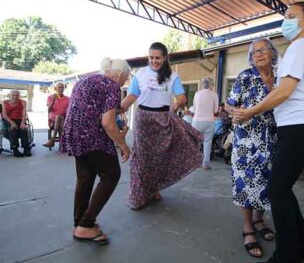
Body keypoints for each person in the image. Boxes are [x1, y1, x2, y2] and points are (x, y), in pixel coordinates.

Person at [234, 1, 304, 263]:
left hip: (300, 124)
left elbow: (285, 91)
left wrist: (250, 111)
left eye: (291, 16)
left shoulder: (301, 46)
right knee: (282, 188)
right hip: (303, 125)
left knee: (277, 190)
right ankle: (303, 247)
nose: (285, 21)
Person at [121, 42, 203, 210]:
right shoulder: (141, 74)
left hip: (163, 118)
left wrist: (176, 105)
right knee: (141, 158)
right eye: (151, 58)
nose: (154, 61)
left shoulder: (172, 77)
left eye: (158, 58)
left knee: (159, 159)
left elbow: (181, 97)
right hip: (143, 119)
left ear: (165, 58)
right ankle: (137, 195)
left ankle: (152, 188)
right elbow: (132, 97)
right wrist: (118, 109)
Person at [61, 58, 131, 244]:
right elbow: (107, 123)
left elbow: (91, 109)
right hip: (92, 137)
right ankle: (86, 224)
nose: (125, 82)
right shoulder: (111, 86)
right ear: (120, 75)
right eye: (126, 78)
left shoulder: (86, 80)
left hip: (74, 134)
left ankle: (79, 224)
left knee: (85, 178)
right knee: (111, 174)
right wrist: (123, 144)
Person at [227, 38, 278, 258]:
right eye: (254, 52)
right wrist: (234, 112)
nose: (258, 54)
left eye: (262, 49)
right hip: (247, 139)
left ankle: (259, 220)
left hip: (273, 138)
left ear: (272, 53)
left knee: (267, 181)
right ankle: (248, 228)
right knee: (246, 181)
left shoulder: (281, 78)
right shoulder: (245, 77)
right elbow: (229, 103)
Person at [192, 77, 219, 170]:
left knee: (195, 142)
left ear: (203, 84)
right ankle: (205, 164)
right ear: (211, 84)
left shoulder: (197, 94)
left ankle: (193, 162)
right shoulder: (214, 94)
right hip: (209, 121)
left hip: (197, 121)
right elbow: (215, 110)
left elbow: (195, 109)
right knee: (207, 143)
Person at [1, 89, 31, 157]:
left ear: (19, 96)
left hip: (19, 119)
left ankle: (26, 149)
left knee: (23, 129)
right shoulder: (4, 102)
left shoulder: (23, 102)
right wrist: (12, 123)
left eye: (17, 95)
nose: (15, 97)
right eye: (13, 95)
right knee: (13, 129)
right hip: (8, 119)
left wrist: (23, 123)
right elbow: (4, 115)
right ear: (10, 95)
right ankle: (15, 150)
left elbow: (24, 114)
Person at [43, 82, 70, 148]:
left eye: (62, 87)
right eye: (59, 87)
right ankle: (62, 144)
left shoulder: (68, 99)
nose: (61, 89)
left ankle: (52, 140)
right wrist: (53, 100)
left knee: (60, 117)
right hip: (53, 121)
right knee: (59, 117)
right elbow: (49, 110)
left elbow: (70, 111)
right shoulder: (50, 97)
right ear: (55, 89)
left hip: (65, 120)